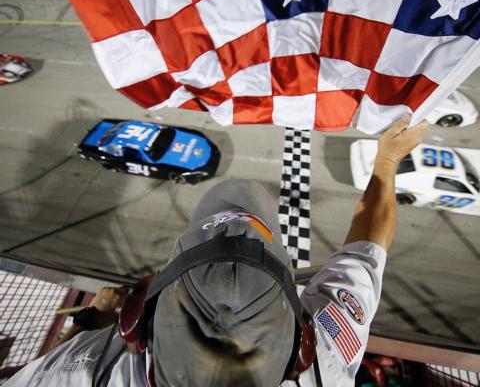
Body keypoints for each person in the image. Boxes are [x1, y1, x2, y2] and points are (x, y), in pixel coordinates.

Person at [4, 114, 428, 387]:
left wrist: (89, 321)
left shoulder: (79, 372)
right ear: (303, 345)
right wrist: (387, 162)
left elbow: (365, 250)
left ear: (137, 324)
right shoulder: (326, 361)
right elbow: (368, 245)